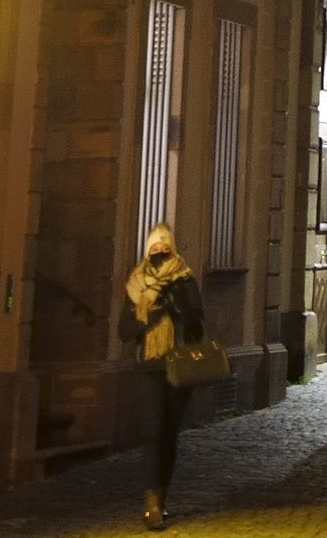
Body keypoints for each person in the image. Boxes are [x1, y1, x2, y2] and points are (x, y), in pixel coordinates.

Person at [119, 223, 205, 529]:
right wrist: (149, 314)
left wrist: (176, 304)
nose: (159, 250)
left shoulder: (184, 278)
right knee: (153, 431)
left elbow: (196, 321)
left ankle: (162, 496)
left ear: (172, 247)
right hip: (149, 365)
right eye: (154, 247)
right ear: (147, 250)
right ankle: (151, 502)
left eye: (164, 245)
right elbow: (124, 331)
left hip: (177, 364)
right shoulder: (136, 282)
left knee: (169, 433)